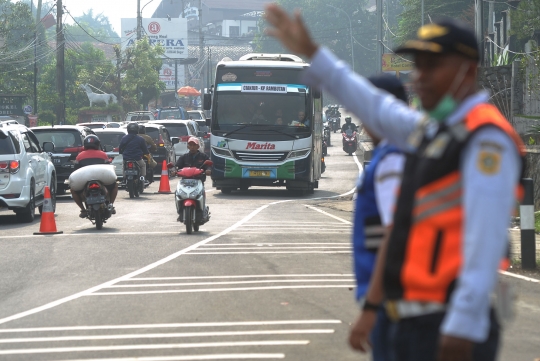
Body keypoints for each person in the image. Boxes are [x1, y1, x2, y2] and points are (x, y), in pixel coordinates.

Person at [265, 7, 525, 361]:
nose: (420, 77)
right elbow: (373, 105)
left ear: (468, 71)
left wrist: (464, 323)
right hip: (412, 321)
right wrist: (313, 53)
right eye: (417, 66)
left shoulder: (485, 139)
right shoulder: (434, 130)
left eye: (433, 67)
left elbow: (485, 238)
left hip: (447, 325)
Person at [349, 75, 408, 361]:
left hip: (392, 302)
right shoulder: (393, 154)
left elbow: (395, 236)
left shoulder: (392, 161)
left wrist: (371, 307)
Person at [73, 135, 118, 218]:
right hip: (101, 179)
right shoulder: (103, 154)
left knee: (73, 190)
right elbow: (108, 167)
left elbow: (75, 169)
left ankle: (83, 210)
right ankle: (111, 205)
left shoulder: (80, 156)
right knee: (115, 185)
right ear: (97, 144)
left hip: (84, 180)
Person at [175, 137, 211, 221]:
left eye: (194, 145)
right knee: (177, 193)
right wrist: (174, 170)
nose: (192, 147)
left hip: (198, 181)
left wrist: (208, 170)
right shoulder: (184, 157)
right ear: (188, 146)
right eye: (190, 145)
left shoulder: (203, 156)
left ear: (198, 146)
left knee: (201, 194)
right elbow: (177, 166)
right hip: (185, 182)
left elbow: (208, 165)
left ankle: (203, 211)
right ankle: (180, 212)